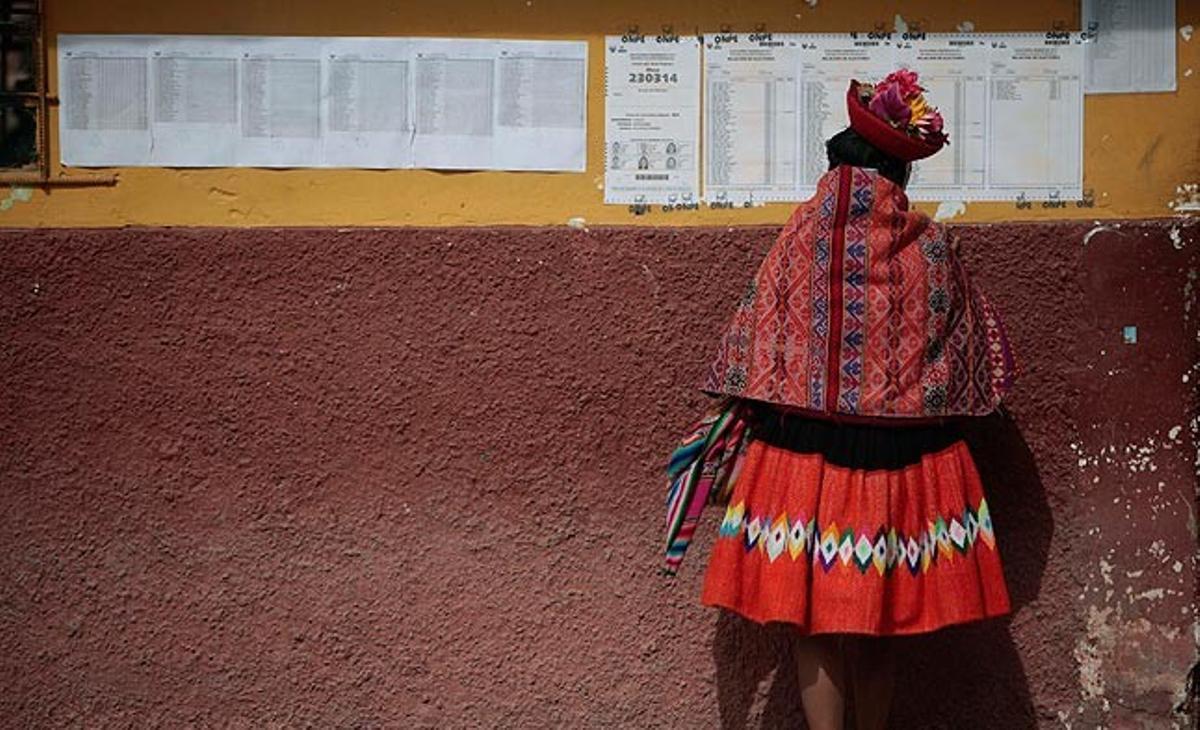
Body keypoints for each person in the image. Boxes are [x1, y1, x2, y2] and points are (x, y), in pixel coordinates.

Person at [662, 70, 1017, 730]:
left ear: (835, 169)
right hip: (902, 461)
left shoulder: (797, 240)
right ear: (898, 175)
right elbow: (985, 360)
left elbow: (753, 333)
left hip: (802, 457)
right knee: (877, 620)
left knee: (814, 622)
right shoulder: (935, 249)